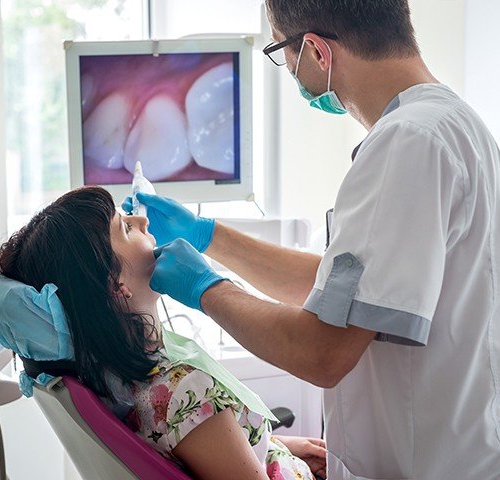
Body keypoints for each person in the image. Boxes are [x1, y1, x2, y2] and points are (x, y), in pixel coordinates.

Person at [122, 1, 500, 479]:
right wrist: (208, 236)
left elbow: (324, 352)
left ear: (317, 52)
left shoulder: (407, 142)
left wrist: (205, 288)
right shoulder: (456, 126)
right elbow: (348, 296)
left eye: (284, 53)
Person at [0, 186, 327, 480]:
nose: (143, 222)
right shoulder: (184, 389)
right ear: (115, 285)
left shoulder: (121, 384)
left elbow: (194, 449)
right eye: (125, 227)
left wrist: (275, 448)